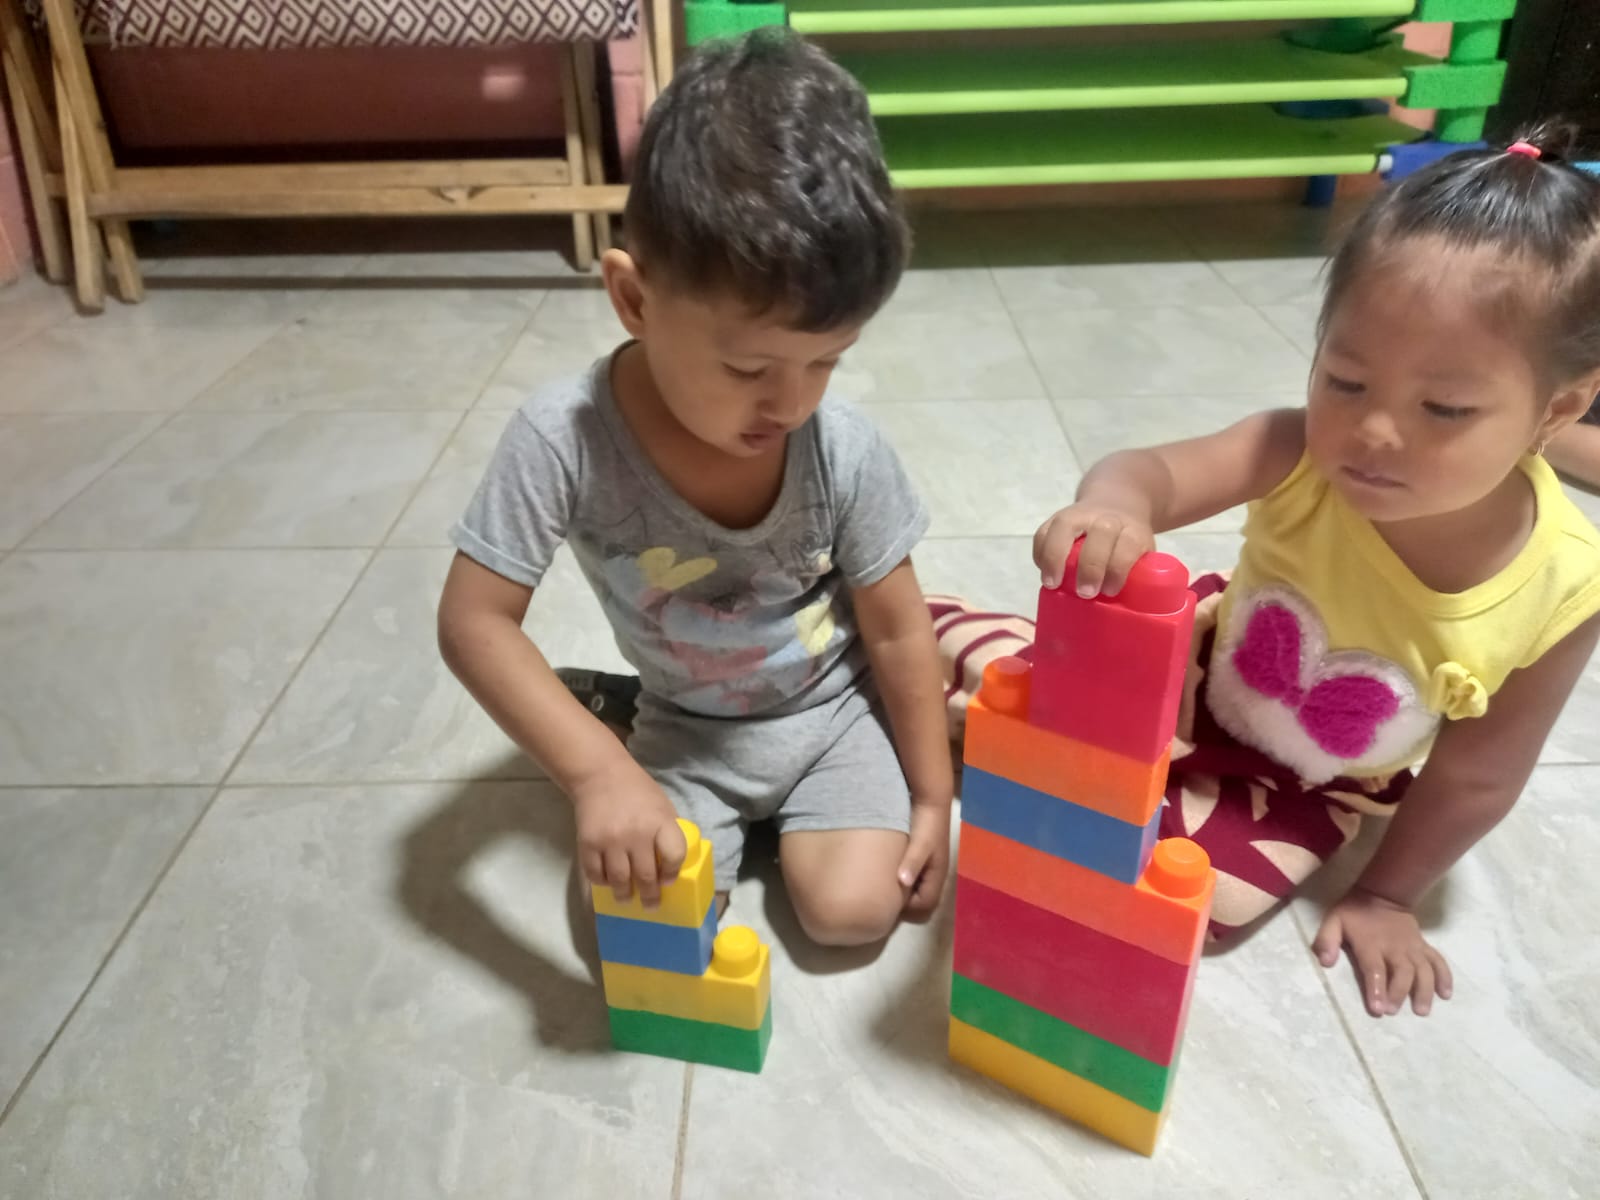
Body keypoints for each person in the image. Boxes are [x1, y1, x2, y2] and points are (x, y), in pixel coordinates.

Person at [989, 126, 1600, 1017]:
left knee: (1201, 896)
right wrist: (1116, 506)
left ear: (1559, 408)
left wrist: (1387, 895)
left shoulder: (1566, 589)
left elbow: (1479, 775)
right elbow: (1149, 473)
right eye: (1345, 381)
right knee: (1008, 715)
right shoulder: (1296, 451)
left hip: (1318, 775)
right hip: (1203, 668)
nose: (1374, 431)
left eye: (1443, 408)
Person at [437, 30, 952, 947]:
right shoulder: (560, 437)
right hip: (685, 726)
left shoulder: (844, 448)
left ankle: (780, 802)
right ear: (634, 300)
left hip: (834, 713)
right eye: (749, 367)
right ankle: (607, 715)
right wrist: (599, 775)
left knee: (854, 912)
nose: (791, 403)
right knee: (644, 937)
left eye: (827, 361)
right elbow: (474, 622)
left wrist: (931, 796)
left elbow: (898, 629)